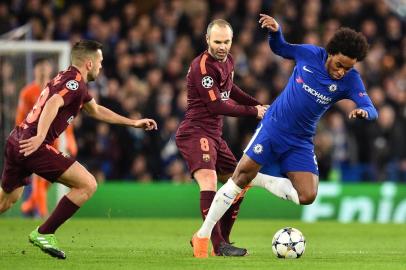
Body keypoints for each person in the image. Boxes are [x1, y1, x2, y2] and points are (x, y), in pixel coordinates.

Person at [191, 14, 378, 258]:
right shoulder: (309, 54)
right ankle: (203, 236)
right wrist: (276, 32)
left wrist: (365, 111)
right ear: (331, 53)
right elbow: (280, 48)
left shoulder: (351, 79)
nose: (342, 72)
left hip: (300, 140)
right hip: (273, 127)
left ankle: (259, 180)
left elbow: (372, 108)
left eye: (348, 68)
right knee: (238, 178)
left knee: (307, 196)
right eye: (339, 65)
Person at [0, 40, 157, 259]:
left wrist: (132, 122)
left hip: (16, 140)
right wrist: (39, 137)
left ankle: (44, 231)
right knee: (88, 184)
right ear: (90, 63)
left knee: (7, 200)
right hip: (33, 144)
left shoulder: (66, 78)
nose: (102, 66)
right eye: (100, 62)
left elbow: (95, 110)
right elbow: (54, 102)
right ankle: (44, 232)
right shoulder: (75, 84)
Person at [175, 19, 269, 257]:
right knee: (209, 180)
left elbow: (230, 90)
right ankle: (216, 244)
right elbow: (216, 104)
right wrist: (252, 112)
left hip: (215, 135)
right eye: (217, 41)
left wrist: (257, 104)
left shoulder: (228, 61)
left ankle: (222, 240)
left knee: (241, 181)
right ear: (207, 40)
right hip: (196, 131)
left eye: (226, 41)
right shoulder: (202, 67)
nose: (222, 46)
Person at [16, 58, 79, 218]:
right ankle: (42, 215)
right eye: (40, 67)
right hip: (35, 141)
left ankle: (30, 203)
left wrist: (70, 139)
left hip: (55, 140)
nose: (43, 70)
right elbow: (20, 118)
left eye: (45, 67)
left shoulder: (55, 90)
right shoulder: (27, 92)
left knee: (46, 181)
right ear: (35, 70)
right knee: (38, 179)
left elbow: (65, 117)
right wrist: (22, 138)